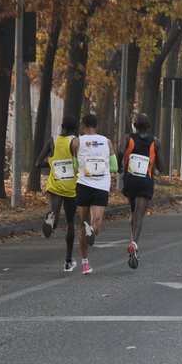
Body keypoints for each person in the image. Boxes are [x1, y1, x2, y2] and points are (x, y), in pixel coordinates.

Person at [118, 111, 164, 270]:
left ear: (135, 125)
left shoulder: (127, 138)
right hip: (145, 181)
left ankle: (133, 242)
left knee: (133, 211)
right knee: (139, 215)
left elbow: (120, 151)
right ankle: (134, 243)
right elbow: (161, 167)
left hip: (130, 180)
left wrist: (119, 165)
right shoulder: (155, 142)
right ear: (148, 126)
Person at [73, 112, 114, 274]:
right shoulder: (107, 142)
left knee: (83, 224)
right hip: (101, 186)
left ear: (83, 127)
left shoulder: (77, 142)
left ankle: (84, 262)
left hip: (83, 184)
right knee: (96, 224)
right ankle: (93, 229)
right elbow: (115, 167)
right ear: (97, 126)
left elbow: (75, 164)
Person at [41, 116, 83, 272]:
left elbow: (38, 162)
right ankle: (68, 260)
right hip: (71, 186)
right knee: (71, 221)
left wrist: (53, 162)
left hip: (55, 184)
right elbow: (80, 163)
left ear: (62, 126)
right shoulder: (75, 142)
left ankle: (51, 218)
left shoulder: (52, 140)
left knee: (55, 215)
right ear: (76, 128)